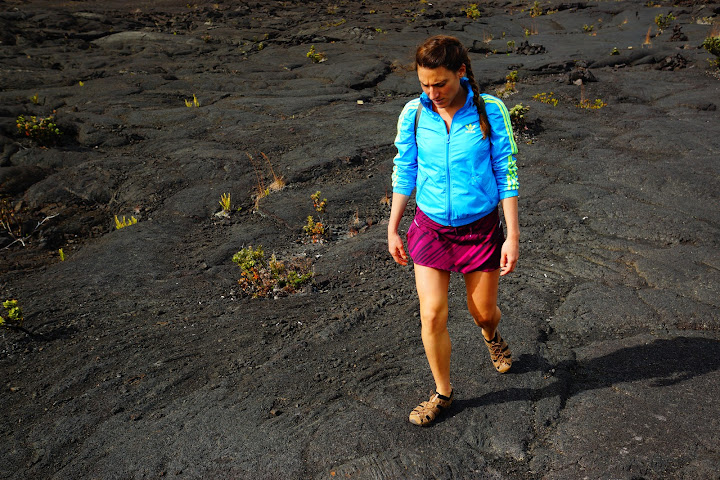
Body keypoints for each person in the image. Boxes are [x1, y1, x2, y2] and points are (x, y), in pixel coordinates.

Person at [387, 35, 519, 426]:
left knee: (483, 313)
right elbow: (405, 169)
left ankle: (491, 335)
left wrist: (512, 236)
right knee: (431, 315)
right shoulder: (414, 113)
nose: (432, 93)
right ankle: (443, 393)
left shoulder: (490, 110)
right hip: (430, 228)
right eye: (424, 84)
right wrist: (393, 228)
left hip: (480, 229)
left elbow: (506, 172)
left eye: (440, 83)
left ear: (461, 72)